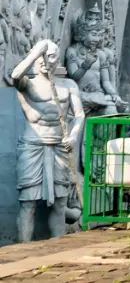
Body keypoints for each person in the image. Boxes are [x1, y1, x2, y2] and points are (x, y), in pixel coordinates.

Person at [9, 41, 81, 244]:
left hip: (59, 145)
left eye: (49, 56)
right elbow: (15, 76)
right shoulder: (29, 83)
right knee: (28, 202)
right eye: (41, 56)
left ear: (56, 59)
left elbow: (79, 115)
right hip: (33, 145)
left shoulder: (68, 86)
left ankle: (56, 248)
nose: (43, 61)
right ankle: (23, 248)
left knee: (59, 203)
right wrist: (37, 51)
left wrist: (74, 135)